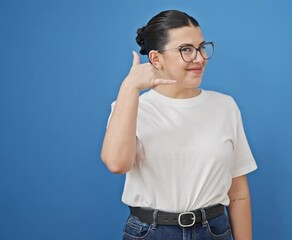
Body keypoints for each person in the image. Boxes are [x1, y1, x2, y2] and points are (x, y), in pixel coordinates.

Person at [101, 10, 257, 240]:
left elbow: (238, 193)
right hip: (150, 232)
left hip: (213, 231)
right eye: (186, 49)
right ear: (156, 58)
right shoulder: (130, 106)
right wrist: (130, 87)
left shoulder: (225, 106)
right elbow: (117, 164)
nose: (200, 58)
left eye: (202, 47)